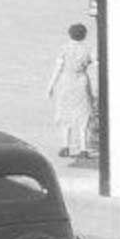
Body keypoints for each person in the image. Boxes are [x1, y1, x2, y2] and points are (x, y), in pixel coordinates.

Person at [47, 22, 96, 158]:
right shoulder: (88, 49)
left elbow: (58, 68)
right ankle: (83, 148)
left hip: (66, 83)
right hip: (81, 82)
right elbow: (97, 63)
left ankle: (65, 146)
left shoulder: (64, 48)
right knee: (83, 115)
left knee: (65, 114)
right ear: (84, 35)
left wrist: (50, 86)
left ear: (70, 34)